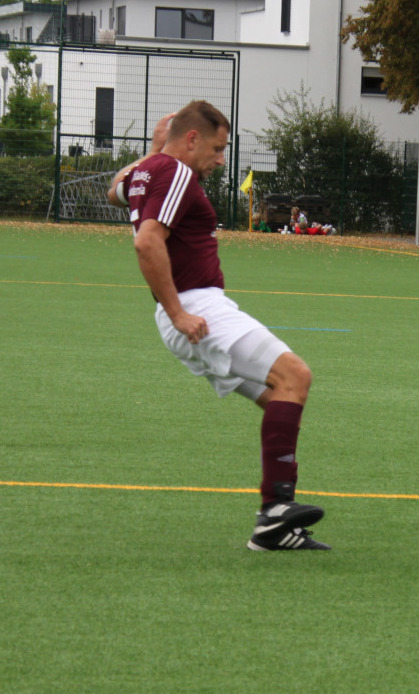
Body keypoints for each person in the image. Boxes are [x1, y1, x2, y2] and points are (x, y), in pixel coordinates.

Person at [106, 101, 330, 551]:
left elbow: (114, 191)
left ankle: (276, 525)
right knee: (295, 376)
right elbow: (147, 242)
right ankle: (275, 510)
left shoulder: (149, 170)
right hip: (196, 308)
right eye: (218, 148)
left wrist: (153, 151)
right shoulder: (176, 172)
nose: (221, 159)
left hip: (188, 312)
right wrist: (178, 312)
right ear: (191, 139)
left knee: (280, 398)